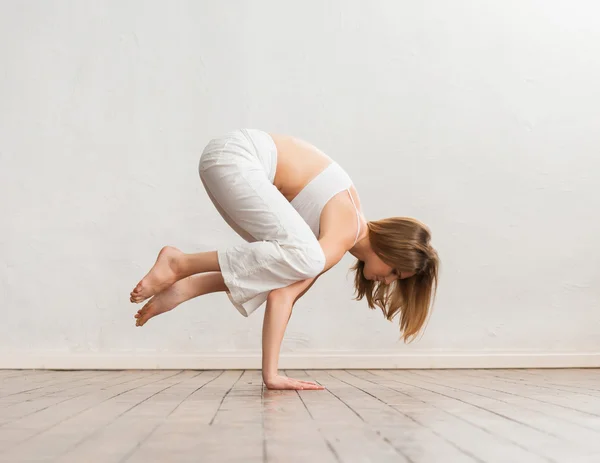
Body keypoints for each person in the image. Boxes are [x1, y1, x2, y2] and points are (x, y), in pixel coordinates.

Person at [129, 129, 439, 391]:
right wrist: (272, 376)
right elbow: (287, 290)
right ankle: (180, 264)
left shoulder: (327, 243)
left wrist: (271, 375)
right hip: (237, 157)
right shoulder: (347, 229)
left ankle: (186, 286)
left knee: (285, 266)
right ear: (390, 250)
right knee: (302, 260)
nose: (390, 281)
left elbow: (282, 295)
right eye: (396, 271)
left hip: (226, 161)